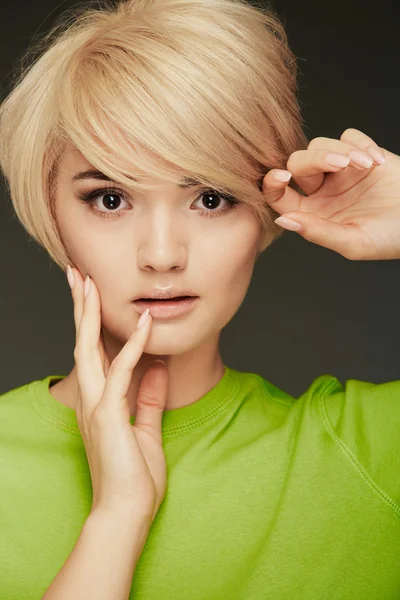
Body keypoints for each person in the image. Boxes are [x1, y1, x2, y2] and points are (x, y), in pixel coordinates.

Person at [0, 0, 399, 598]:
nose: (162, 254)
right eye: (110, 198)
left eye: (211, 197)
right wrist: (117, 518)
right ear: (50, 213)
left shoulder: (373, 451)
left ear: (266, 206)